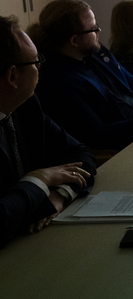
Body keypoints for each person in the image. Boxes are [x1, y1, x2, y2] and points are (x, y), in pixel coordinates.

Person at [28, 0, 133, 151]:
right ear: (74, 41)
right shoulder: (58, 82)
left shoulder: (96, 54)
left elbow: (132, 82)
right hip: (122, 150)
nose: (99, 30)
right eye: (93, 28)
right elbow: (99, 136)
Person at [0, 15, 96, 246]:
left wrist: (60, 193)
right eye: (35, 61)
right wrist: (38, 180)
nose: (40, 67)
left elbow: (81, 153)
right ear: (13, 75)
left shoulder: (26, 107)